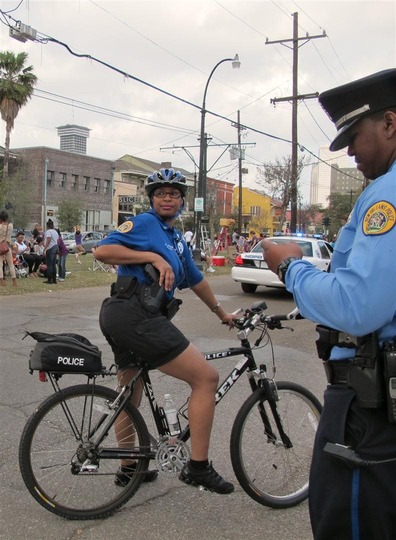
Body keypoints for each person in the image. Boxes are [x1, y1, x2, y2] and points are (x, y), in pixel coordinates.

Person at [261, 69, 396, 540]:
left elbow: (358, 304)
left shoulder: (388, 194)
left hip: (369, 407)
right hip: (373, 395)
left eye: (354, 137)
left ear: (390, 124)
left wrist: (289, 268)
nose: (350, 152)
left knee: (351, 519)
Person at [95, 168, 236, 494]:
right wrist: (152, 258)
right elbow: (102, 250)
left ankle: (129, 467)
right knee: (206, 378)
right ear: (152, 200)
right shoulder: (145, 224)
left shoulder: (176, 241)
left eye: (174, 194)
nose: (167, 198)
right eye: (161, 194)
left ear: (182, 201)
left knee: (130, 393)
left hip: (127, 315)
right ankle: (198, 467)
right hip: (134, 315)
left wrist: (221, 313)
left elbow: (196, 281)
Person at [0, 210, 16, 287]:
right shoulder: (10, 226)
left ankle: (1, 281)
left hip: (0, 246)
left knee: (0, 265)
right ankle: (14, 282)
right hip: (7, 246)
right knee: (11, 264)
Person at [43, 219, 59, 284]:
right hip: (55, 247)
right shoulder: (55, 232)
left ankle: (49, 279)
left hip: (50, 248)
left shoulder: (48, 231)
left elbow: (48, 239)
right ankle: (54, 279)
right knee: (53, 264)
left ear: (47, 226)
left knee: (49, 264)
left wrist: (45, 248)